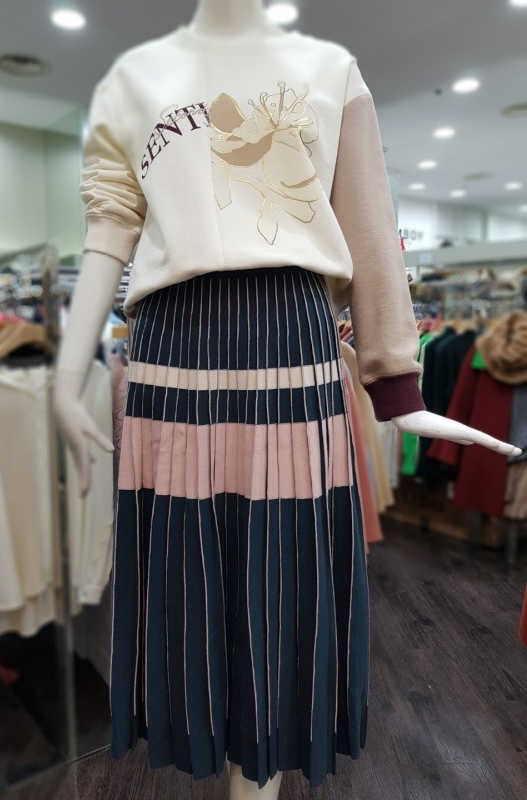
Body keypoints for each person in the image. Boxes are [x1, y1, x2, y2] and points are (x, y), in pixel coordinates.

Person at [54, 2, 520, 798]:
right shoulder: (133, 78)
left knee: (282, 578)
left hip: (291, 336)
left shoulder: (330, 71)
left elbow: (369, 226)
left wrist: (396, 383)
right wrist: (69, 376)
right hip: (170, 345)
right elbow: (110, 224)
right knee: (189, 584)